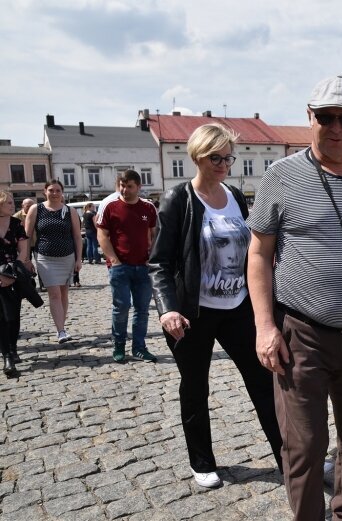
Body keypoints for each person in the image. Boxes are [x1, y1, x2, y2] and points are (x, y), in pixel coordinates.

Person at [246, 75, 342, 520]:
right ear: (310, 117)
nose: (336, 128)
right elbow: (258, 253)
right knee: (305, 447)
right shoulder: (281, 176)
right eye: (326, 117)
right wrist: (264, 327)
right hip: (303, 336)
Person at [149, 123, 283, 489]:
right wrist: (167, 308)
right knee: (195, 387)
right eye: (216, 157)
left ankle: (289, 458)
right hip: (194, 312)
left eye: (228, 157)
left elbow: (255, 250)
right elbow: (159, 262)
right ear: (198, 157)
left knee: (265, 381)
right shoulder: (179, 199)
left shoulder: (236, 196)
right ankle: (202, 461)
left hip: (238, 306)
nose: (224, 164)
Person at [96, 170, 158, 364]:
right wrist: (114, 260)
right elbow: (102, 235)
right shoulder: (110, 206)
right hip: (120, 267)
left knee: (142, 309)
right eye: (122, 185)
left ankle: (139, 347)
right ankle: (119, 345)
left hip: (143, 266)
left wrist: (152, 257)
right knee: (121, 307)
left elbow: (154, 234)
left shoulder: (148, 208)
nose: (125, 189)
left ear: (139, 187)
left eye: (129, 186)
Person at [24, 180, 82, 343]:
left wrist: (79, 259)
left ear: (62, 192)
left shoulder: (69, 211)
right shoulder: (36, 209)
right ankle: (61, 331)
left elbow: (77, 236)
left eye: (58, 190)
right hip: (45, 258)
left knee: (64, 293)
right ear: (45, 192)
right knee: (54, 293)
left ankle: (61, 325)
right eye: (51, 190)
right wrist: (26, 259)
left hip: (67, 257)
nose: (55, 193)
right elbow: (27, 236)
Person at [0, 192, 32, 376]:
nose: (13, 205)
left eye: (13, 203)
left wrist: (10, 273)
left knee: (12, 317)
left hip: (13, 275)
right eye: (9, 203)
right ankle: (7, 357)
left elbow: (23, 250)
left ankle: (12, 347)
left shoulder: (16, 224)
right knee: (1, 319)